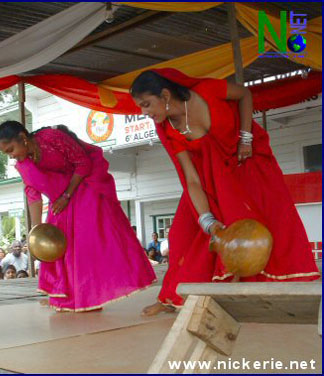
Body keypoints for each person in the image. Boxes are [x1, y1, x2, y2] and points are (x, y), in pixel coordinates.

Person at [130, 68, 320, 316]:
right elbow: (191, 178)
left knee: (266, 223)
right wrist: (208, 221)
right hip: (211, 181)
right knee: (183, 234)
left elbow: (244, 94)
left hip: (249, 163)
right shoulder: (166, 129)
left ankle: (264, 290)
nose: (144, 112)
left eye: (146, 104)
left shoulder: (207, 91)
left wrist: (246, 138)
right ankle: (172, 296)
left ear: (165, 95)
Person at [0, 121, 156, 312]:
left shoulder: (51, 137)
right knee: (61, 244)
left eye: (11, 149)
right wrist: (36, 232)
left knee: (84, 245)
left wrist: (67, 195)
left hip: (84, 185)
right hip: (60, 199)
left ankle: (90, 296)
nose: (11, 155)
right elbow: (33, 196)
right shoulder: (24, 165)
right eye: (6, 153)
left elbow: (83, 162)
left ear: (23, 137)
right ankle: (68, 297)